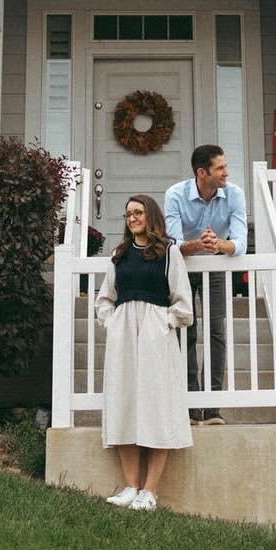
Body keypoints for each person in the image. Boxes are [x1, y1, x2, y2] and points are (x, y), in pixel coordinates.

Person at [93, 194, 193, 510]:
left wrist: (163, 322)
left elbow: (183, 303)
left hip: (155, 336)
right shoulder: (119, 255)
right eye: (128, 214)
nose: (133, 218)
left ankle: (150, 490)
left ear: (150, 215)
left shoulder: (169, 253)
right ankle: (131, 486)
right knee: (124, 403)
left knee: (156, 406)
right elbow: (104, 299)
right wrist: (113, 322)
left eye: (138, 212)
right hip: (123, 335)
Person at [163, 145, 248, 423]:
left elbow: (241, 243)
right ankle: (189, 407)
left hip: (216, 267)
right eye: (220, 168)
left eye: (226, 166)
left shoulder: (234, 194)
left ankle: (211, 408)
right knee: (186, 330)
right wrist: (197, 244)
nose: (227, 172)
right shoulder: (175, 195)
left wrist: (219, 244)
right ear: (202, 172)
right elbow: (172, 243)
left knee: (216, 331)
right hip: (183, 268)